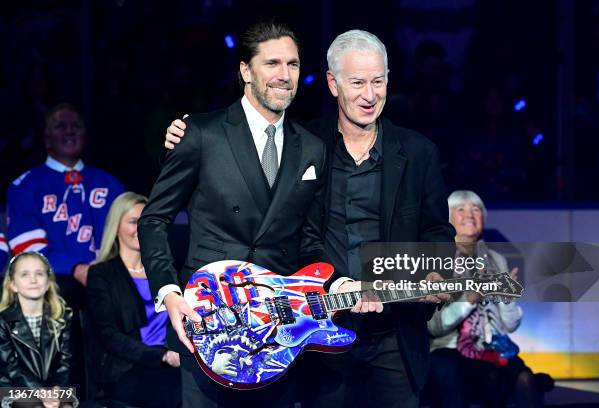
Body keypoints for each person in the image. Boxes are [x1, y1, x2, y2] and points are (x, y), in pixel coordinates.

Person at [164, 29, 455, 408]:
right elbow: (293, 225)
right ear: (333, 84)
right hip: (317, 332)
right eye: (358, 82)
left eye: (378, 82)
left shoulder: (419, 152)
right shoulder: (303, 143)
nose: (370, 95)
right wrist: (185, 134)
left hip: (395, 336)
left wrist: (436, 271)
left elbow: (436, 231)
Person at [138, 20, 331, 408]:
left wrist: (329, 283)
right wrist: (169, 293)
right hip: (208, 322)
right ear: (245, 70)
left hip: (279, 330)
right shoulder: (202, 134)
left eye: (292, 65)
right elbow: (153, 219)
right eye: (272, 63)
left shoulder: (312, 148)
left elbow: (308, 239)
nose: (284, 75)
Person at [425, 190, 543, 408]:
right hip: (447, 348)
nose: (470, 214)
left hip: (491, 348)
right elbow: (434, 327)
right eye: (461, 210)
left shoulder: (496, 260)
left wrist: (506, 299)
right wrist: (471, 298)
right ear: (447, 219)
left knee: (525, 379)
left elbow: (509, 325)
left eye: (476, 209)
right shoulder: (436, 259)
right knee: (450, 374)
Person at [6, 103, 124, 308]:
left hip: (111, 286)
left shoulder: (109, 183)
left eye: (76, 126)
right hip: (53, 291)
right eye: (60, 126)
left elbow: (133, 234)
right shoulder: (25, 186)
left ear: (85, 134)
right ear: (46, 138)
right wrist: (76, 268)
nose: (69, 130)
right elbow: (27, 248)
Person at [86, 192, 181, 408]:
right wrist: (162, 356)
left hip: (173, 362)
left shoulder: (165, 273)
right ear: (116, 226)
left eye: (145, 222)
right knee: (177, 393)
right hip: (127, 369)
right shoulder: (101, 274)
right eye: (132, 222)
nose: (140, 228)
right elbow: (109, 337)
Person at [0, 252, 72, 396]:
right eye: (25, 274)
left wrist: (56, 390)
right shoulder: (3, 321)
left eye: (39, 273)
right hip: (14, 392)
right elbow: (9, 368)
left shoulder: (63, 317)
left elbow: (66, 362)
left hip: (56, 392)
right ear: (13, 285)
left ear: (48, 283)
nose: (33, 280)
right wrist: (40, 392)